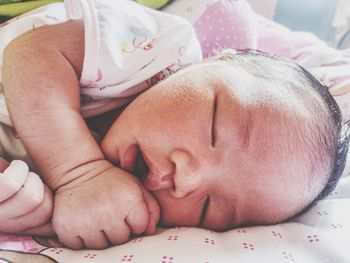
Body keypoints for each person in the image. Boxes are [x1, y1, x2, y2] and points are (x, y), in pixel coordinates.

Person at [0, 0, 349, 250]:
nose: (188, 179)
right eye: (213, 128)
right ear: (212, 62)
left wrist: (37, 211)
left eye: (210, 207)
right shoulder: (159, 51)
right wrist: (78, 173)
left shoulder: (122, 207)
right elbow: (29, 55)